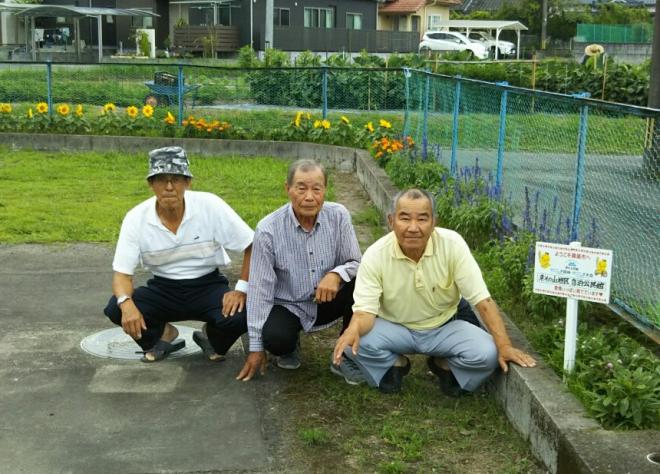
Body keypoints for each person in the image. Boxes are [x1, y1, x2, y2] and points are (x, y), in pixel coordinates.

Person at [332, 188, 536, 395]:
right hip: (395, 327)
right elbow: (365, 313)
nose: (413, 228)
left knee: (489, 354)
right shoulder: (376, 254)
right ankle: (396, 364)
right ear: (391, 221)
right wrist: (352, 329)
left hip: (443, 325)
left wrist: (505, 345)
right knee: (355, 343)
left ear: (434, 222)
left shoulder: (452, 245)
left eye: (422, 219)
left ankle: (443, 365)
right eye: (404, 218)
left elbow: (482, 300)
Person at [103, 146, 253, 362]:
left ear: (188, 182)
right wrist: (126, 304)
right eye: (161, 179)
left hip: (207, 285)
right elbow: (122, 275)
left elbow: (252, 244)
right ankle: (162, 335)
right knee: (116, 308)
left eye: (176, 179)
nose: (169, 187)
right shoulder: (136, 218)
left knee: (243, 313)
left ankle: (211, 338)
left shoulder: (210, 205)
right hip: (163, 288)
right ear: (151, 184)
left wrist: (241, 289)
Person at [236, 159, 361, 381]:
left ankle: (346, 353)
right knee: (275, 338)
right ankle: (289, 345)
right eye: (301, 188)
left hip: (327, 298)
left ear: (325, 190)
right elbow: (260, 289)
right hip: (289, 304)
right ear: (288, 189)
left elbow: (355, 262)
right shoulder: (268, 230)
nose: (309, 197)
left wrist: (335, 275)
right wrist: (256, 347)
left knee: (361, 282)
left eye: (316, 189)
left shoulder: (339, 215)